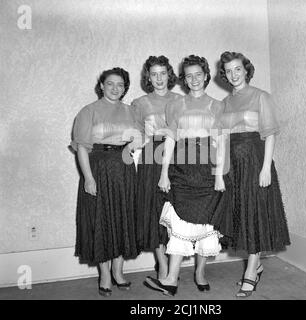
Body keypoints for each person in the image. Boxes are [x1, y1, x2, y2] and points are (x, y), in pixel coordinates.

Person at [144, 55, 233, 296]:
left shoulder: (218, 105)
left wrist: (219, 175)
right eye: (188, 75)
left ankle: (200, 272)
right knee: (179, 220)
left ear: (206, 76)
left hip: (207, 168)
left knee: (206, 222)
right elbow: (171, 140)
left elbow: (221, 142)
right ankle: (171, 278)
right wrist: (164, 173)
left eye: (198, 74)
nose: (194, 79)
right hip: (180, 169)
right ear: (183, 79)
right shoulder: (175, 105)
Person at [218, 51, 290, 298]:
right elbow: (223, 139)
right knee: (243, 215)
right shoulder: (225, 103)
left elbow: (269, 134)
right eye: (228, 70)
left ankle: (250, 271)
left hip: (256, 162)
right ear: (224, 74)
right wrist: (222, 172)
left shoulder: (261, 96)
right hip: (234, 167)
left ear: (246, 70)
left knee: (255, 214)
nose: (233, 74)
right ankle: (256, 264)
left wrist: (266, 168)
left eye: (237, 69)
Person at [71, 67, 140, 297]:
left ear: (125, 88)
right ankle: (104, 275)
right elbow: (82, 147)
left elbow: (139, 137)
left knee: (122, 218)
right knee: (102, 219)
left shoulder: (131, 111)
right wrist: (88, 178)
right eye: (110, 83)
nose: (115, 88)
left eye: (120, 85)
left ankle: (119, 273)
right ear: (101, 85)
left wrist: (129, 148)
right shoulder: (88, 111)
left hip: (124, 170)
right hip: (98, 170)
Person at [131, 55, 181, 279]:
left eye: (163, 73)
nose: (159, 78)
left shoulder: (181, 100)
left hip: (180, 157)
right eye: (154, 74)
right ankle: (162, 263)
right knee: (154, 211)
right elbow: (136, 136)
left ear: (169, 75)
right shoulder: (140, 104)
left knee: (176, 211)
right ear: (148, 77)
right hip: (152, 158)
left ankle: (174, 262)